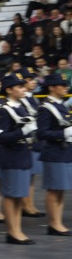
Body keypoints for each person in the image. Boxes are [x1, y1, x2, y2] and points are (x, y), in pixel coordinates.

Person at [0, 75, 39, 246]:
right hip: (11, 156)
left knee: (18, 196)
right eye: (19, 87)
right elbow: (1, 138)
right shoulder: (4, 110)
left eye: (22, 86)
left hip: (22, 155)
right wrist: (22, 132)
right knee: (11, 196)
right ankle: (12, 231)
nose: (23, 89)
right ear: (9, 90)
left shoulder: (21, 107)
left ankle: (17, 229)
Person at [36, 74, 72, 235]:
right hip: (54, 152)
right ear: (51, 87)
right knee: (53, 189)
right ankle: (54, 223)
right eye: (61, 85)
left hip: (64, 152)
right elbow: (42, 133)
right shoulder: (46, 107)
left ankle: (58, 222)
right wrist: (63, 134)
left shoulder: (61, 105)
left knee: (60, 190)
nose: (65, 88)